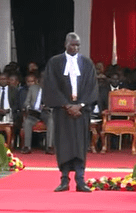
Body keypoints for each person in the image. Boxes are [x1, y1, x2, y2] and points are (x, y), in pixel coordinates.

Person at [43, 32, 98, 192]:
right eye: (72, 44)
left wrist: (80, 105)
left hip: (82, 111)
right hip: (63, 111)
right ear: (66, 44)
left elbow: (92, 86)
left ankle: (80, 180)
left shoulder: (87, 63)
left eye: (78, 45)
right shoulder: (55, 62)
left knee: (80, 145)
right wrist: (67, 106)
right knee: (64, 145)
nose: (75, 47)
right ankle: (64, 180)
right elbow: (51, 86)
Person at [21, 74, 54, 155]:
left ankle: (49, 146)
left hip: (46, 112)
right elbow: (26, 102)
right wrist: (28, 107)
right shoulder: (33, 88)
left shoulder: (52, 89)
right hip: (34, 112)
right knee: (27, 121)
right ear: (38, 81)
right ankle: (27, 146)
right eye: (42, 81)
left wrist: (48, 107)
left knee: (51, 121)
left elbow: (55, 104)